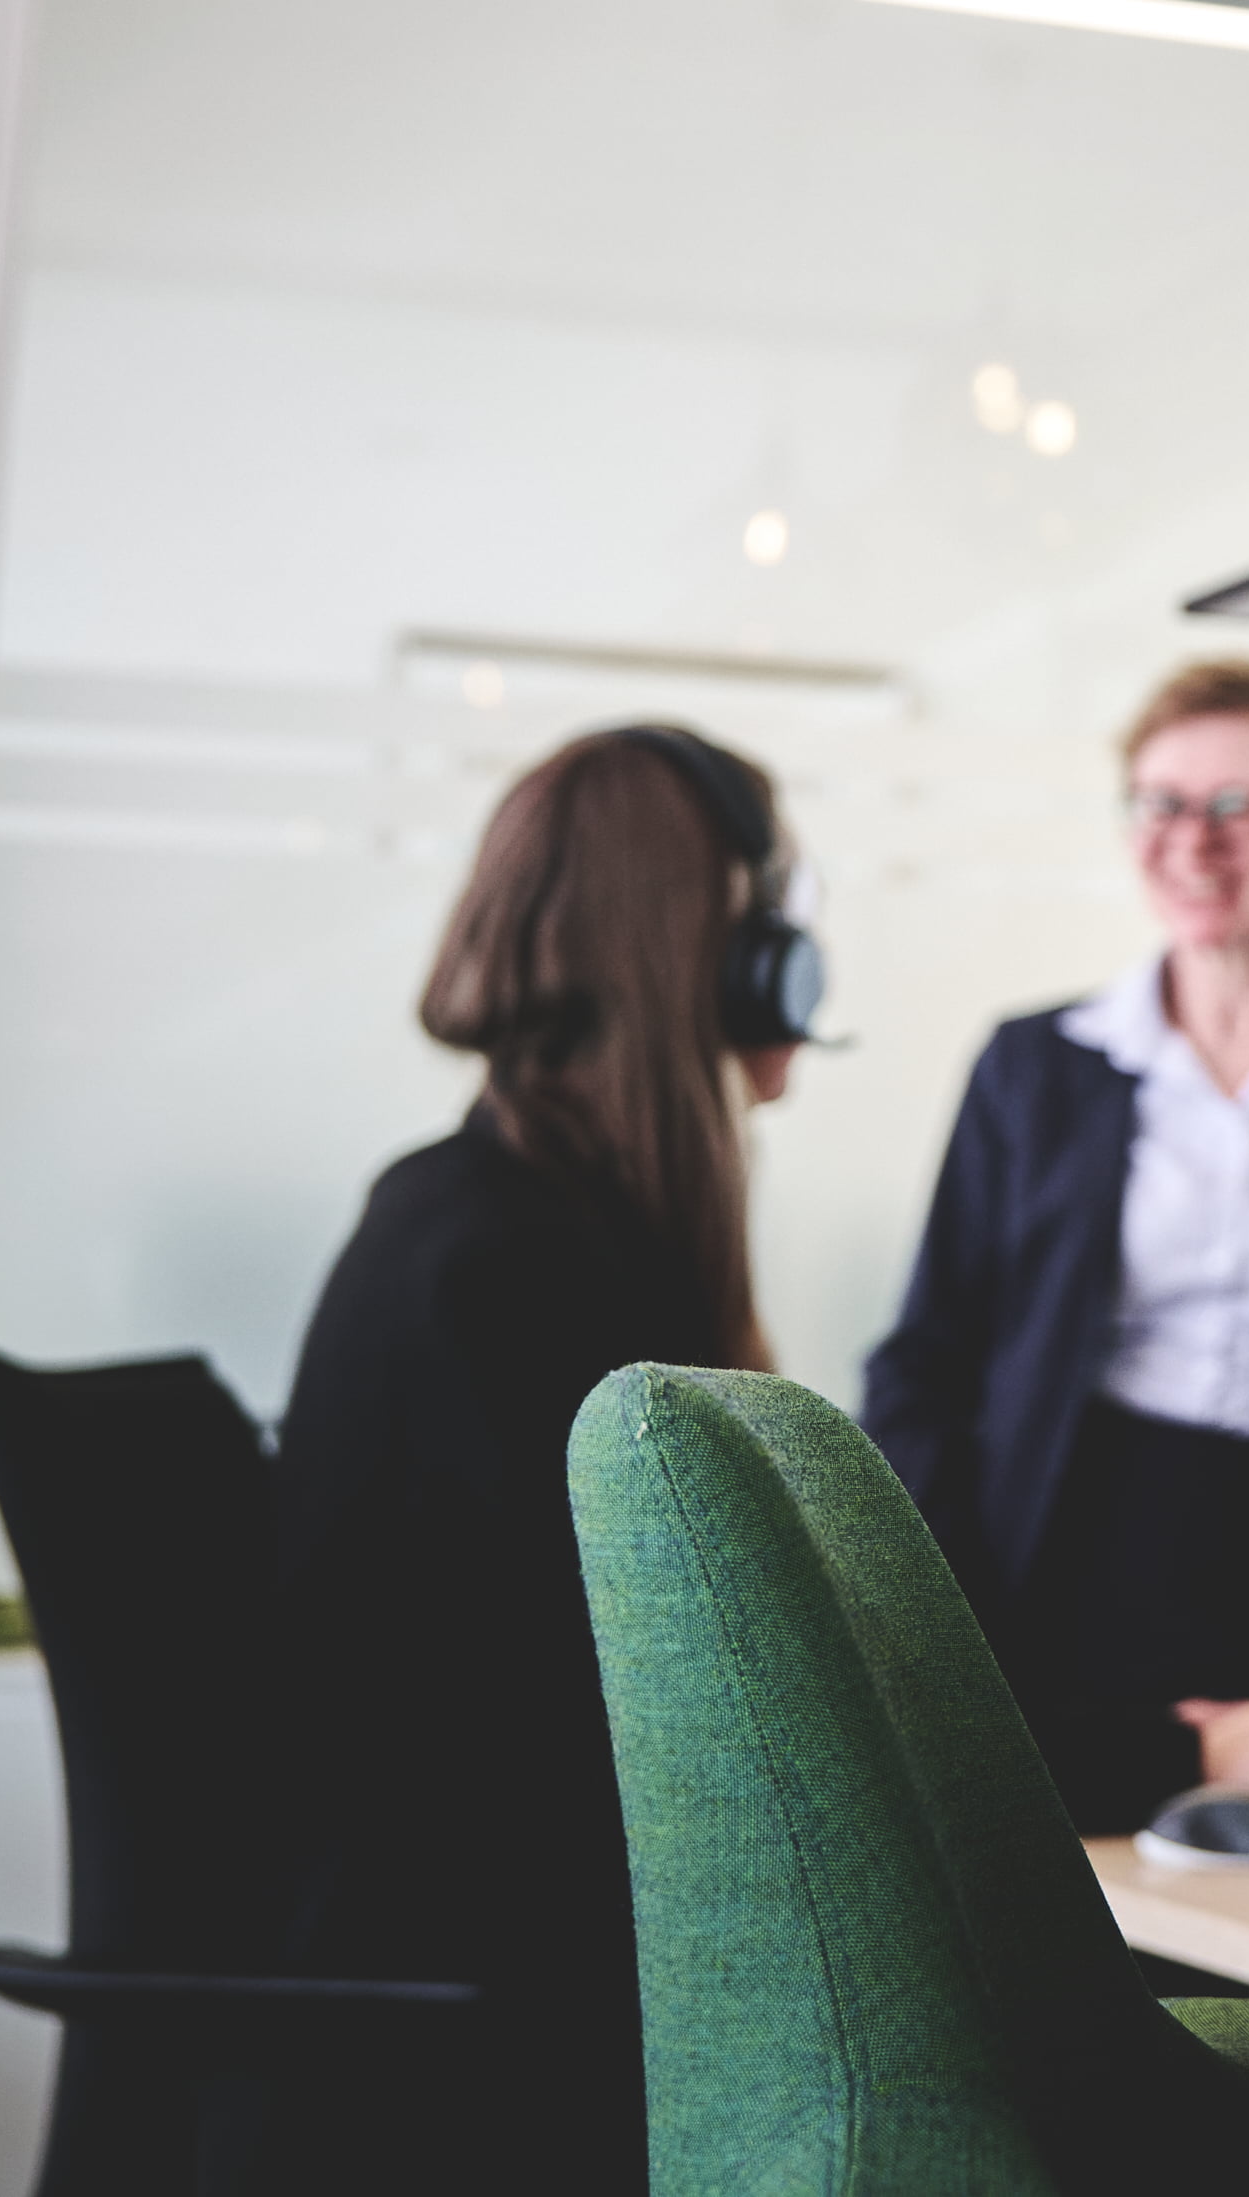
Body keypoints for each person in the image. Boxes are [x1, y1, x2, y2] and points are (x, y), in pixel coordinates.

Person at [265, 721, 823, 2195]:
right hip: (514, 2016)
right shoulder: (527, 1270)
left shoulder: (483, 1218)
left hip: (494, 1965)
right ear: (732, 959)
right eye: (780, 927)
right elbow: (719, 1691)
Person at [865, 657, 1249, 1830]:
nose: (1192, 843)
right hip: (1067, 1534)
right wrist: (922, 1602)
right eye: (1160, 803)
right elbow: (927, 1355)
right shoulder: (1038, 1065)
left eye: (1238, 806)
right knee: (1064, 1862)